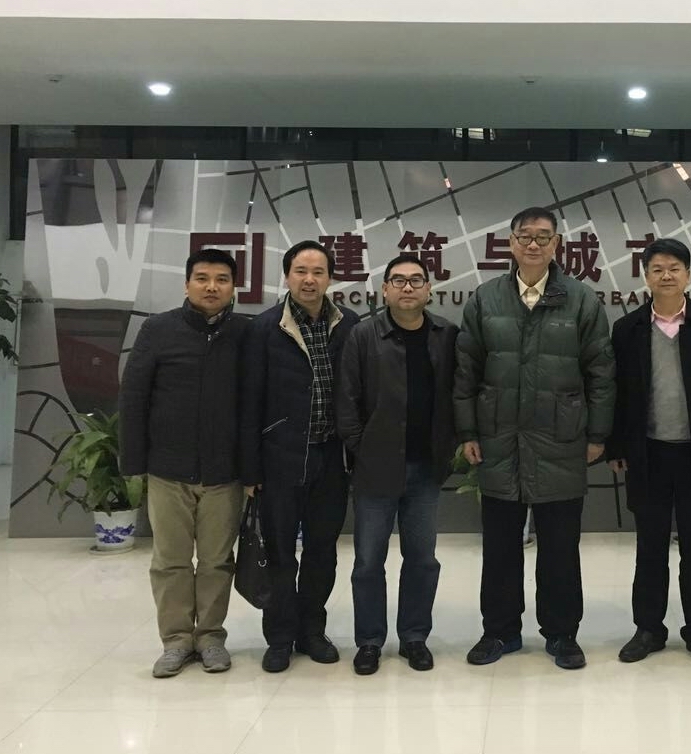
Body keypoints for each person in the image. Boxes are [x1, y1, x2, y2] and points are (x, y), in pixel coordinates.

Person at [454, 207, 615, 670]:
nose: (533, 244)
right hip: (499, 439)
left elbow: (601, 373)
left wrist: (597, 433)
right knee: (500, 547)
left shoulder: (581, 300)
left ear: (557, 245)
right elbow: (465, 372)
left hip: (561, 439)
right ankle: (499, 631)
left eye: (544, 237)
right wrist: (468, 431)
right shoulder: (486, 299)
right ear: (510, 242)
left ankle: (562, 634)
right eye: (525, 236)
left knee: (560, 548)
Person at [606, 238, 691, 668]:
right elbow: (617, 394)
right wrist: (616, 445)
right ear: (646, 277)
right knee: (649, 546)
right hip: (647, 453)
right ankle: (648, 628)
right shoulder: (627, 329)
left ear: (688, 275)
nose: (666, 275)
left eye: (674, 268)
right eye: (657, 269)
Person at [119, 248, 249, 678]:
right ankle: (175, 641)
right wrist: (133, 461)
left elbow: (256, 403)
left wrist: (251, 468)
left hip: (224, 472)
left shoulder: (246, 333)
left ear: (233, 287)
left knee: (216, 561)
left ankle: (210, 637)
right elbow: (134, 396)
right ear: (187, 283)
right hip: (168, 470)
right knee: (170, 561)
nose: (212, 287)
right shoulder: (158, 329)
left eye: (222, 279)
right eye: (202, 278)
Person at [240, 239, 359, 673]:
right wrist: (249, 468)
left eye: (318, 272)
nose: (309, 280)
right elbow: (248, 401)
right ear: (287, 276)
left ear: (331, 278)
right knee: (279, 553)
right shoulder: (264, 328)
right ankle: (279, 637)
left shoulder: (350, 325)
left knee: (322, 552)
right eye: (301, 272)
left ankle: (312, 631)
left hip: (331, 458)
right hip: (279, 459)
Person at [336, 255, 458, 675]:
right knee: (368, 561)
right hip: (376, 469)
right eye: (399, 280)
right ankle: (369, 641)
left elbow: (457, 395)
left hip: (426, 467)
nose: (408, 287)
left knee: (422, 558)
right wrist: (362, 448)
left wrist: (449, 449)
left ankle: (414, 637)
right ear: (385, 290)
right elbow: (347, 399)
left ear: (429, 289)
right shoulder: (363, 334)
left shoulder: (446, 334)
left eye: (416, 280)